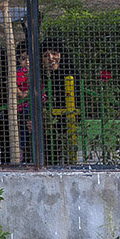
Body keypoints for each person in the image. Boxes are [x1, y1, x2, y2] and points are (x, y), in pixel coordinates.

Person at [39, 37, 80, 165]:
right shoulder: (38, 77)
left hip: (64, 121)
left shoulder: (71, 74)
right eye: (46, 55)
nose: (51, 58)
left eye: (55, 54)